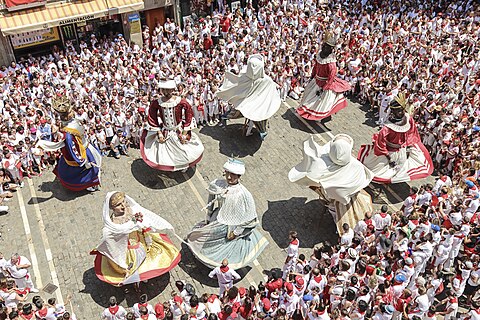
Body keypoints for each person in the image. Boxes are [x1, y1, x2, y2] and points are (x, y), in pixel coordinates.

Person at [187, 158, 268, 268]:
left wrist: (236, 233)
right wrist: (208, 216)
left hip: (233, 226)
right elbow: (210, 200)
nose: (229, 177)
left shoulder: (244, 195)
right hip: (218, 218)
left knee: (226, 247)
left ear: (239, 176)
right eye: (228, 174)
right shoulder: (218, 184)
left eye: (233, 175)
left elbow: (250, 219)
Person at [91, 191, 181, 290]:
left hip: (140, 241)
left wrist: (146, 234)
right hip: (128, 251)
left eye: (123, 202)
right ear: (112, 208)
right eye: (118, 205)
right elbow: (109, 241)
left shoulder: (131, 210)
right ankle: (135, 280)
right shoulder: (112, 226)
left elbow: (140, 224)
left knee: (146, 261)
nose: (123, 206)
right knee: (133, 267)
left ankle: (143, 276)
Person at [289, 134, 374, 233]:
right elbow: (360, 184)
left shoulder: (319, 164)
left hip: (330, 197)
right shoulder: (357, 168)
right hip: (344, 198)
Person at [358, 93, 433, 183]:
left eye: (401, 110)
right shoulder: (387, 128)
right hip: (389, 151)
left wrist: (408, 146)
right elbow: (381, 144)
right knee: (376, 170)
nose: (399, 113)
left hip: (401, 149)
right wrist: (388, 157)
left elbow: (411, 133)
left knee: (401, 166)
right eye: (396, 111)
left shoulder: (408, 119)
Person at [36, 96, 101, 192]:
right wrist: (82, 161)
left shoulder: (69, 122)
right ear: (66, 115)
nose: (73, 111)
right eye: (71, 111)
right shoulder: (68, 133)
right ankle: (89, 185)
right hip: (82, 152)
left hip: (86, 144)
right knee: (90, 170)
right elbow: (72, 148)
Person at [140, 79, 204, 172]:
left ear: (173, 89)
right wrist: (159, 132)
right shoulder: (157, 102)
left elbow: (189, 114)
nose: (166, 92)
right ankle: (173, 165)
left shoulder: (180, 101)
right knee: (168, 151)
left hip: (178, 129)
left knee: (182, 148)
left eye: (168, 89)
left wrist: (185, 132)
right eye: (164, 90)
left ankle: (184, 164)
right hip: (165, 130)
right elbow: (152, 117)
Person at [217, 54, 281, 140]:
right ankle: (257, 131)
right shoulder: (262, 79)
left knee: (257, 118)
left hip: (256, 104)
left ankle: (258, 131)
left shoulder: (248, 76)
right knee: (254, 117)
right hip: (249, 104)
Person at [296, 31, 351, 121]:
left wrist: (324, 88)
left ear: (331, 49)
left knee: (323, 102)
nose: (324, 47)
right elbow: (315, 67)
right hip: (316, 80)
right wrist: (312, 76)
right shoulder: (319, 55)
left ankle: (323, 116)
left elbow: (331, 77)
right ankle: (307, 113)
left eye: (327, 46)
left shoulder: (331, 63)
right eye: (324, 45)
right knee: (308, 95)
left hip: (324, 83)